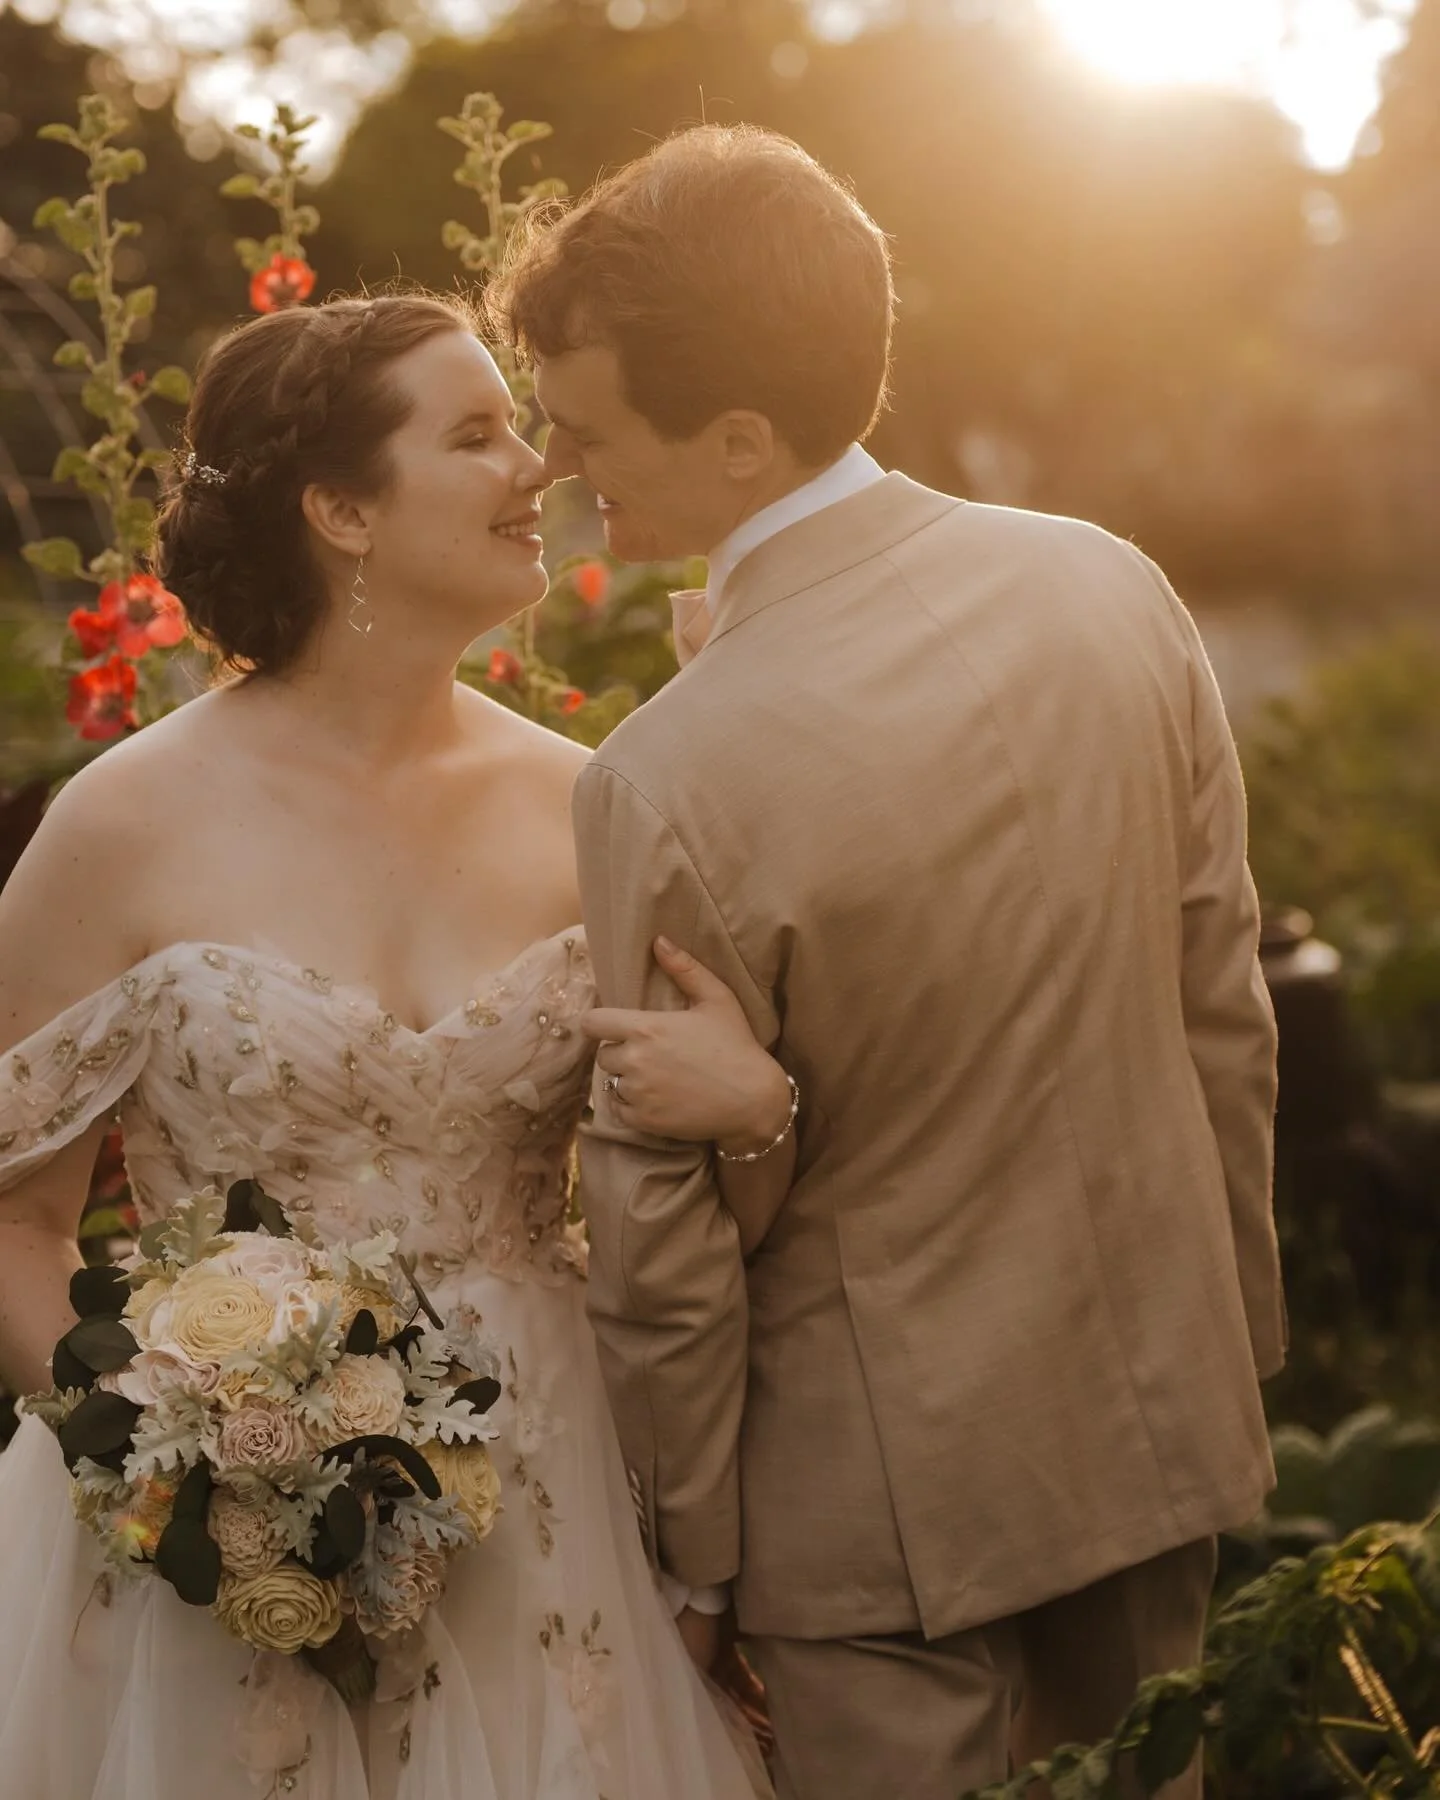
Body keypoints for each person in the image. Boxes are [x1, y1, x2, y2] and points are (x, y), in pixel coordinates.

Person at [490, 123, 1287, 1800]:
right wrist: (1226, 1345)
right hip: (1153, 1421)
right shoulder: (1112, 585)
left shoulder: (666, 774)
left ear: (738, 437)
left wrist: (694, 1556)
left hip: (873, 1523)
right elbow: (1224, 1005)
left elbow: (661, 1228)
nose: (558, 464)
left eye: (587, 428)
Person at [0, 292, 781, 1800]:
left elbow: (712, 1173)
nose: (536, 465)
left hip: (553, 1503)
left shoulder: (599, 804)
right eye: (476, 434)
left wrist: (763, 1105)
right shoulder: (121, 823)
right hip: (205, 1557)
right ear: (342, 510)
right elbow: (15, 1216)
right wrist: (177, 1463)